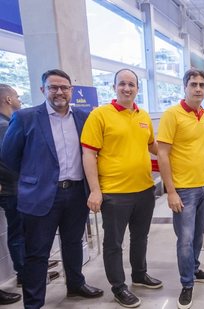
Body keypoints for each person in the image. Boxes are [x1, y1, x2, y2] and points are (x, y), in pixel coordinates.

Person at [1, 69, 103, 309]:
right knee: (37, 253)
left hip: (76, 193)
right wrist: (33, 179)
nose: (59, 92)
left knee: (73, 243)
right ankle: (34, 302)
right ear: (42, 90)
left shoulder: (83, 116)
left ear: (71, 91)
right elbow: (8, 156)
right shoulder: (26, 117)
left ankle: (76, 284)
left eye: (64, 88)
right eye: (53, 87)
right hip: (40, 196)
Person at [81, 69, 161, 308]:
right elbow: (88, 154)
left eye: (132, 84)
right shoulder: (99, 115)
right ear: (115, 87)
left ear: (138, 88)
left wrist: (186, 152)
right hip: (114, 193)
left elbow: (154, 147)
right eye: (122, 84)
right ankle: (118, 287)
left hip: (145, 190)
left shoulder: (143, 115)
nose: (127, 88)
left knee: (140, 237)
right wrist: (95, 190)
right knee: (114, 243)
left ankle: (139, 274)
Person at [156, 69, 204, 309]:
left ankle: (194, 270)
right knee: (184, 239)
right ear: (185, 87)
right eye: (193, 84)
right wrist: (171, 191)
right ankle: (187, 285)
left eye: (201, 85)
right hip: (183, 189)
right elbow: (162, 154)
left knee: (198, 233)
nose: (198, 89)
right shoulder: (171, 115)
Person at [0, 85, 22, 305]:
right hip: (11, 189)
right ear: (7, 99)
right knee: (18, 232)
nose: (19, 100)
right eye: (16, 96)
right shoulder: (4, 126)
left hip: (11, 187)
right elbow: (8, 160)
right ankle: (24, 272)